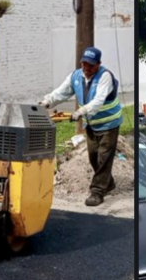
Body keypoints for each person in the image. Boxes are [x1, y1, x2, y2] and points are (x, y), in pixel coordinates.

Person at [39, 46, 123, 207]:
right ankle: (108, 182)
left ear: (99, 64)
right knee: (93, 156)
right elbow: (61, 93)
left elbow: (98, 101)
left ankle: (97, 192)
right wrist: (47, 102)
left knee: (104, 156)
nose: (87, 68)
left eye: (91, 65)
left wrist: (80, 112)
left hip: (110, 124)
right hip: (92, 124)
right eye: (84, 64)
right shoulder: (76, 76)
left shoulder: (105, 77)